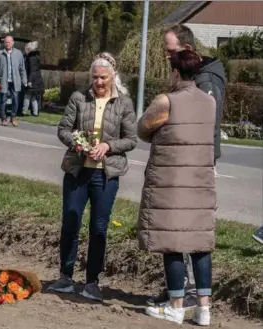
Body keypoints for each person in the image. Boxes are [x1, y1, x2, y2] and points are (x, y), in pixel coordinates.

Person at [148, 23, 227, 310]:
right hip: (189, 161)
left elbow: (204, 126)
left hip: (196, 163)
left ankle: (187, 295)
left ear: (188, 50)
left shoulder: (206, 83)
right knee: (185, 229)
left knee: (185, 231)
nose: (167, 58)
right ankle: (180, 290)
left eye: (171, 52)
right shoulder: (198, 79)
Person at [48, 52, 137, 301]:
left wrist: (108, 147)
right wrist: (76, 142)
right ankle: (65, 276)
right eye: (95, 77)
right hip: (78, 171)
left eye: (103, 78)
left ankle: (92, 281)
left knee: (99, 227)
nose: (99, 82)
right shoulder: (79, 98)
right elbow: (63, 128)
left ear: (112, 77)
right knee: (71, 222)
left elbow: (131, 140)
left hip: (106, 175)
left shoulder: (124, 104)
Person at [137, 50, 216, 326]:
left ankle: (176, 306)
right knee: (200, 244)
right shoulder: (210, 102)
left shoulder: (166, 101)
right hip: (200, 182)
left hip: (171, 183)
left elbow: (143, 129)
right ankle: (204, 309)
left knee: (173, 242)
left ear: (175, 72)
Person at [0, 35, 27, 127]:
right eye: (6, 42)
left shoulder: (19, 54)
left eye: (9, 42)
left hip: (15, 81)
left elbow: (22, 69)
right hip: (4, 80)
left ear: (13, 43)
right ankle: (3, 118)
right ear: (4, 43)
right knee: (3, 100)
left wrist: (24, 80)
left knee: (15, 99)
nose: (7, 44)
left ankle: (13, 118)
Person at [22, 41, 45, 117]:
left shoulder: (31, 58)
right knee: (33, 97)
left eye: (26, 48)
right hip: (37, 80)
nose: (25, 50)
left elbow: (32, 70)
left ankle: (24, 112)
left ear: (29, 49)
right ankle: (35, 113)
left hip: (33, 80)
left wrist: (29, 81)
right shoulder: (36, 57)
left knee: (27, 96)